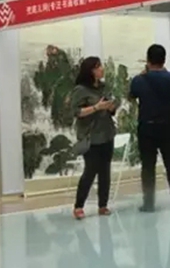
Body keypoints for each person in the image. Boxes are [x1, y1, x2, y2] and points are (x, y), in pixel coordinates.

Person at [129, 44, 170, 212]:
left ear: (148, 60)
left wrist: (144, 73)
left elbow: (131, 95)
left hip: (146, 128)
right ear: (164, 59)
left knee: (148, 166)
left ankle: (148, 203)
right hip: (167, 127)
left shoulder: (139, 80)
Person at [71, 56, 119, 220]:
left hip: (107, 133)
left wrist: (111, 107)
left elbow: (111, 109)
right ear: (90, 71)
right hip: (91, 137)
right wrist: (96, 107)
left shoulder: (104, 87)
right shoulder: (80, 90)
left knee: (105, 171)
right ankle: (79, 206)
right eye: (98, 67)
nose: (101, 69)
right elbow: (77, 112)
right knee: (90, 171)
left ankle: (103, 205)